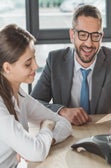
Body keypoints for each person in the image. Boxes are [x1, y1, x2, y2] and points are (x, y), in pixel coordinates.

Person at [31, 4, 111, 136]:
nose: (89, 43)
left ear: (101, 36)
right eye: (83, 35)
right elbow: (34, 103)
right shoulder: (55, 60)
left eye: (95, 35)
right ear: (72, 35)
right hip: (66, 135)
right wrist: (62, 111)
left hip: (104, 135)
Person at [0, 24, 72, 168]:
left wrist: (45, 141)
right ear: (7, 68)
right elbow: (36, 152)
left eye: (33, 58)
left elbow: (65, 124)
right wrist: (46, 127)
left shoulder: (20, 96)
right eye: (28, 64)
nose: (36, 66)